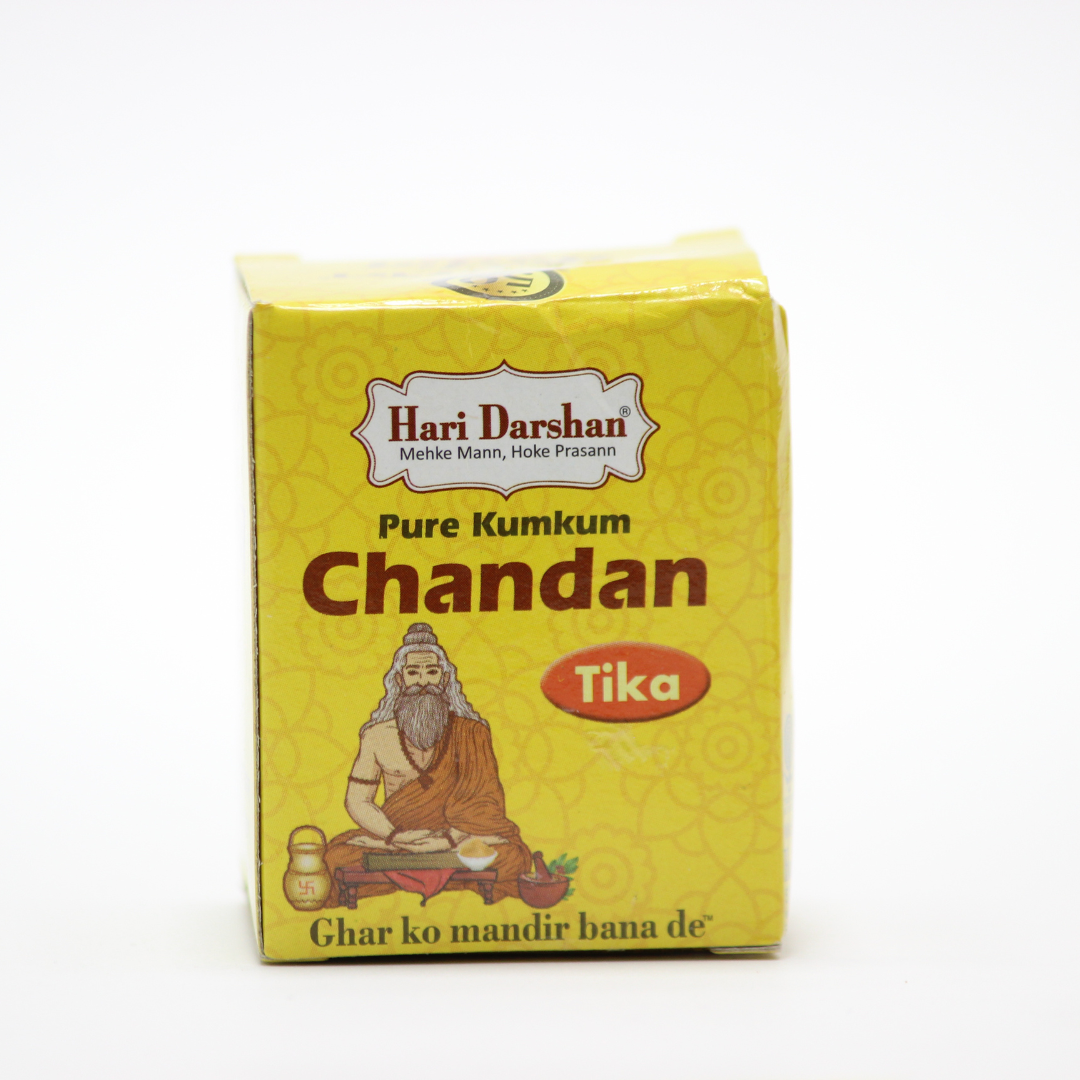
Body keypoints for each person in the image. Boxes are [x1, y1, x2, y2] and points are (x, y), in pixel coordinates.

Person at [323, 623, 532, 905]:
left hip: (457, 839)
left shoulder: (472, 733)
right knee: (337, 856)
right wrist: (396, 837)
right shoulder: (376, 736)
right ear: (400, 680)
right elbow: (358, 800)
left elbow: (485, 806)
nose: (423, 681)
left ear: (444, 679)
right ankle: (441, 868)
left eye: (431, 672)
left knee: (512, 856)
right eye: (413, 672)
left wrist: (447, 840)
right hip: (397, 840)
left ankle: (420, 865)